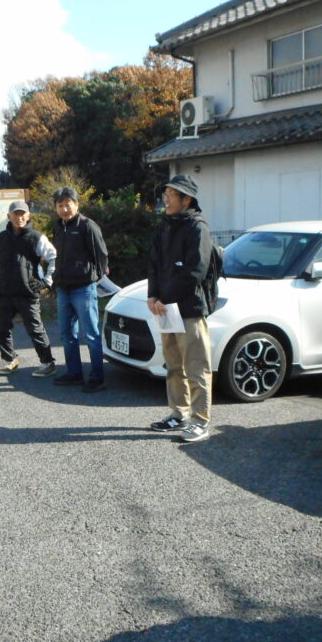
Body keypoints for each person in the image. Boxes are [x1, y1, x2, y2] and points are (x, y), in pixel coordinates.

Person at [146, 174, 214, 443]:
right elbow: (154, 264)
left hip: (189, 309)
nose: (166, 199)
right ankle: (179, 413)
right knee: (173, 365)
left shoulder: (198, 228)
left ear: (187, 199)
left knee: (197, 368)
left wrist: (165, 298)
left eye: (172, 195)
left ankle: (200, 421)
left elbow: (195, 272)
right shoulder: (165, 226)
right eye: (165, 194)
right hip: (166, 309)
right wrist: (153, 295)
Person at [0, 200, 57, 377]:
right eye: (15, 214)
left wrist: (46, 281)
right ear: (8, 217)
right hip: (5, 292)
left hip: (27, 293)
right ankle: (10, 360)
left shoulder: (37, 237)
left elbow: (55, 258)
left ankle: (48, 363)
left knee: (35, 329)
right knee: (2, 328)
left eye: (22, 213)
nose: (19, 217)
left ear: (28, 215)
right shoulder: (1, 237)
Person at [51, 186, 108, 392]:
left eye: (68, 204)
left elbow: (101, 255)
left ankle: (97, 377)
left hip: (83, 288)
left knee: (91, 334)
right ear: (56, 208)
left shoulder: (87, 226)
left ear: (76, 204)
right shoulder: (58, 226)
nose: (65, 209)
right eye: (61, 205)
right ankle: (74, 373)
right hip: (63, 288)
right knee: (67, 334)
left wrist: (94, 280)